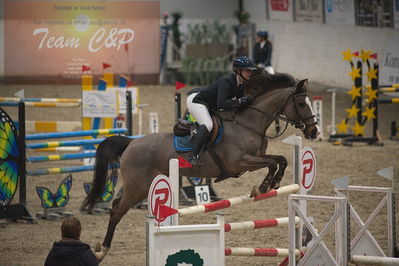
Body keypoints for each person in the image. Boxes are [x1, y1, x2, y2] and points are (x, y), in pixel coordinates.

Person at [186, 56, 256, 165]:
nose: (250, 73)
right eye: (247, 70)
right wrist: (241, 101)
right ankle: (193, 156)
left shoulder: (241, 83)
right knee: (208, 124)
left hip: (209, 103)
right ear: (238, 71)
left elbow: (238, 104)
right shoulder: (227, 81)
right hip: (197, 101)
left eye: (251, 70)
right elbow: (221, 104)